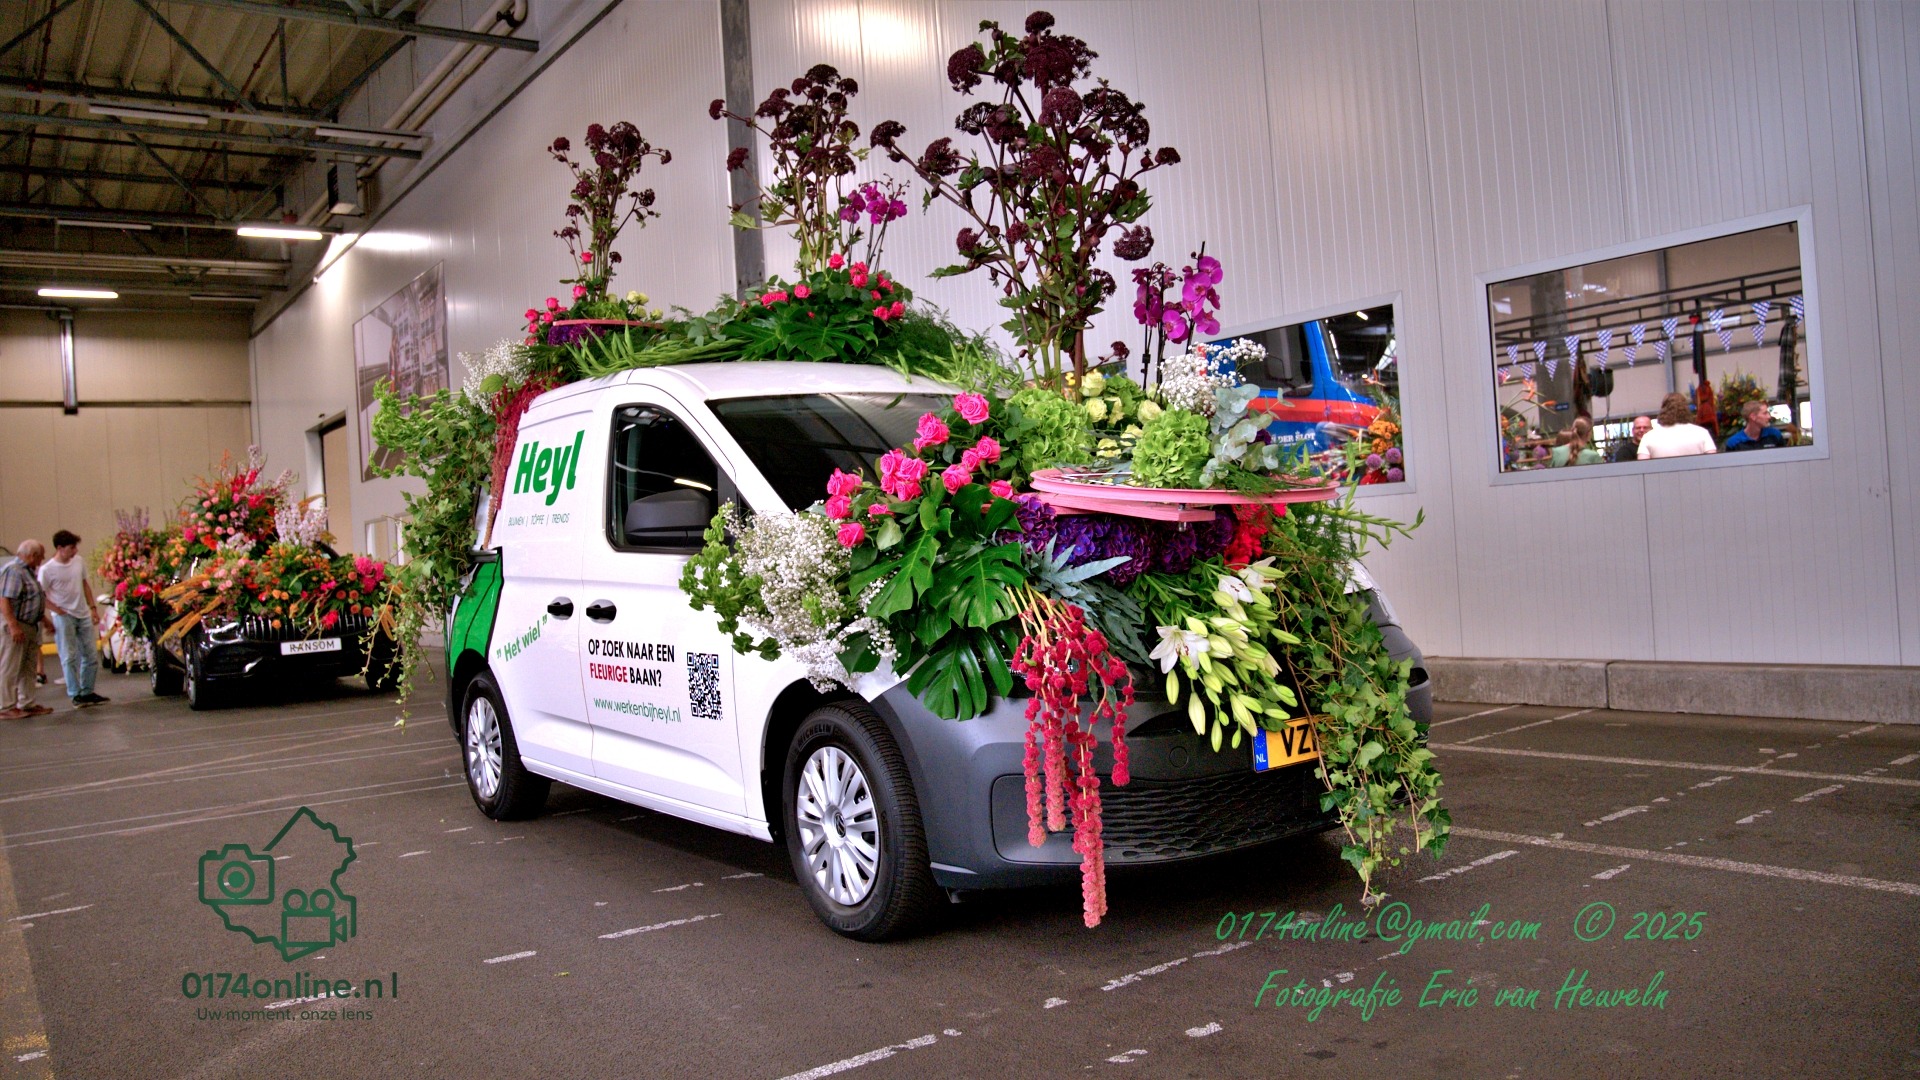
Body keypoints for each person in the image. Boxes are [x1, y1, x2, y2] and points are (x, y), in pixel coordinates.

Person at [40, 530, 109, 707]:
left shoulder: (78, 562)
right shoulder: (47, 570)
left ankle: (87, 691)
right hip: (64, 616)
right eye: (71, 548)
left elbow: (85, 584)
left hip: (82, 612)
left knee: (90, 654)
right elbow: (41, 595)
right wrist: (56, 610)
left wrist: (93, 608)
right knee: (68, 656)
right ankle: (75, 693)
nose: (75, 551)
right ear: (60, 548)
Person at [1, 540, 56, 719]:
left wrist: (45, 620)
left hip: (30, 625)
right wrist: (13, 625)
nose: (42, 559)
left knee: (28, 667)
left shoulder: (28, 572)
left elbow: (31, 600)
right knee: (10, 666)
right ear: (32, 555)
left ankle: (27, 703)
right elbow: (5, 600)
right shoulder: (14, 571)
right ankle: (6, 706)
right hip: (17, 625)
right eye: (41, 556)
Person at [1638, 392, 1718, 459]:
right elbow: (1713, 461)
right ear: (1686, 409)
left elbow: (1642, 467)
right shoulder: (1702, 433)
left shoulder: (1648, 437)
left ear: (1663, 409)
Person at [1724, 400, 1788, 452]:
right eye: (1765, 413)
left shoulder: (1774, 434)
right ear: (1753, 417)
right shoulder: (1734, 443)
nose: (1769, 417)